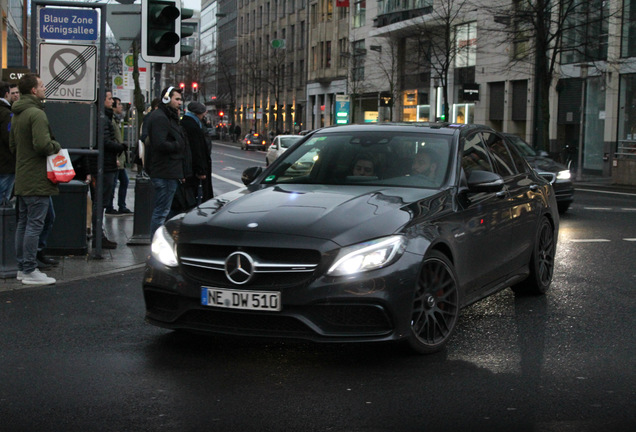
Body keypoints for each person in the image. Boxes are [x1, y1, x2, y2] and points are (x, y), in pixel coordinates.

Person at [9, 73, 61, 285]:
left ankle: (22, 267)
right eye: (41, 85)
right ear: (33, 90)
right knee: (35, 224)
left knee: (23, 223)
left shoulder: (17, 114)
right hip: (37, 177)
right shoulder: (37, 114)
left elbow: (13, 146)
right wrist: (56, 146)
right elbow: (43, 145)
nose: (44, 88)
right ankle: (30, 269)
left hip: (22, 176)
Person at [145, 86, 186, 235]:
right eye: (177, 99)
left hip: (168, 170)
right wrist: (178, 145)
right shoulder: (161, 118)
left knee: (163, 211)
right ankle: (156, 243)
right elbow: (160, 143)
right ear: (167, 98)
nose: (180, 103)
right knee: (161, 212)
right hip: (165, 172)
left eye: (180, 99)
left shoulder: (165, 116)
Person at [89, 91, 125, 248]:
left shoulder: (102, 116)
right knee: (101, 201)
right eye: (109, 98)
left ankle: (99, 235)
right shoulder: (102, 118)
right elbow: (104, 142)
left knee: (102, 200)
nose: (112, 101)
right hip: (104, 164)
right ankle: (98, 236)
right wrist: (121, 147)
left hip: (106, 163)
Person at [180, 101, 213, 205]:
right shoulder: (193, 126)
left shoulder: (193, 123)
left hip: (193, 167)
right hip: (194, 169)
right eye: (203, 112)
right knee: (196, 196)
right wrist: (201, 170)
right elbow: (197, 149)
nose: (204, 115)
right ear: (198, 113)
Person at [106, 97, 132, 215]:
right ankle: (111, 206)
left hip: (119, 158)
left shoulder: (115, 120)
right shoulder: (111, 121)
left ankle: (120, 205)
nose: (121, 106)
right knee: (114, 182)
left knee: (123, 181)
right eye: (119, 104)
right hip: (116, 157)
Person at [0, 81, 15, 203]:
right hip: (6, 164)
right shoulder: (7, 114)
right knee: (3, 203)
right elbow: (9, 138)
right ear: (6, 94)